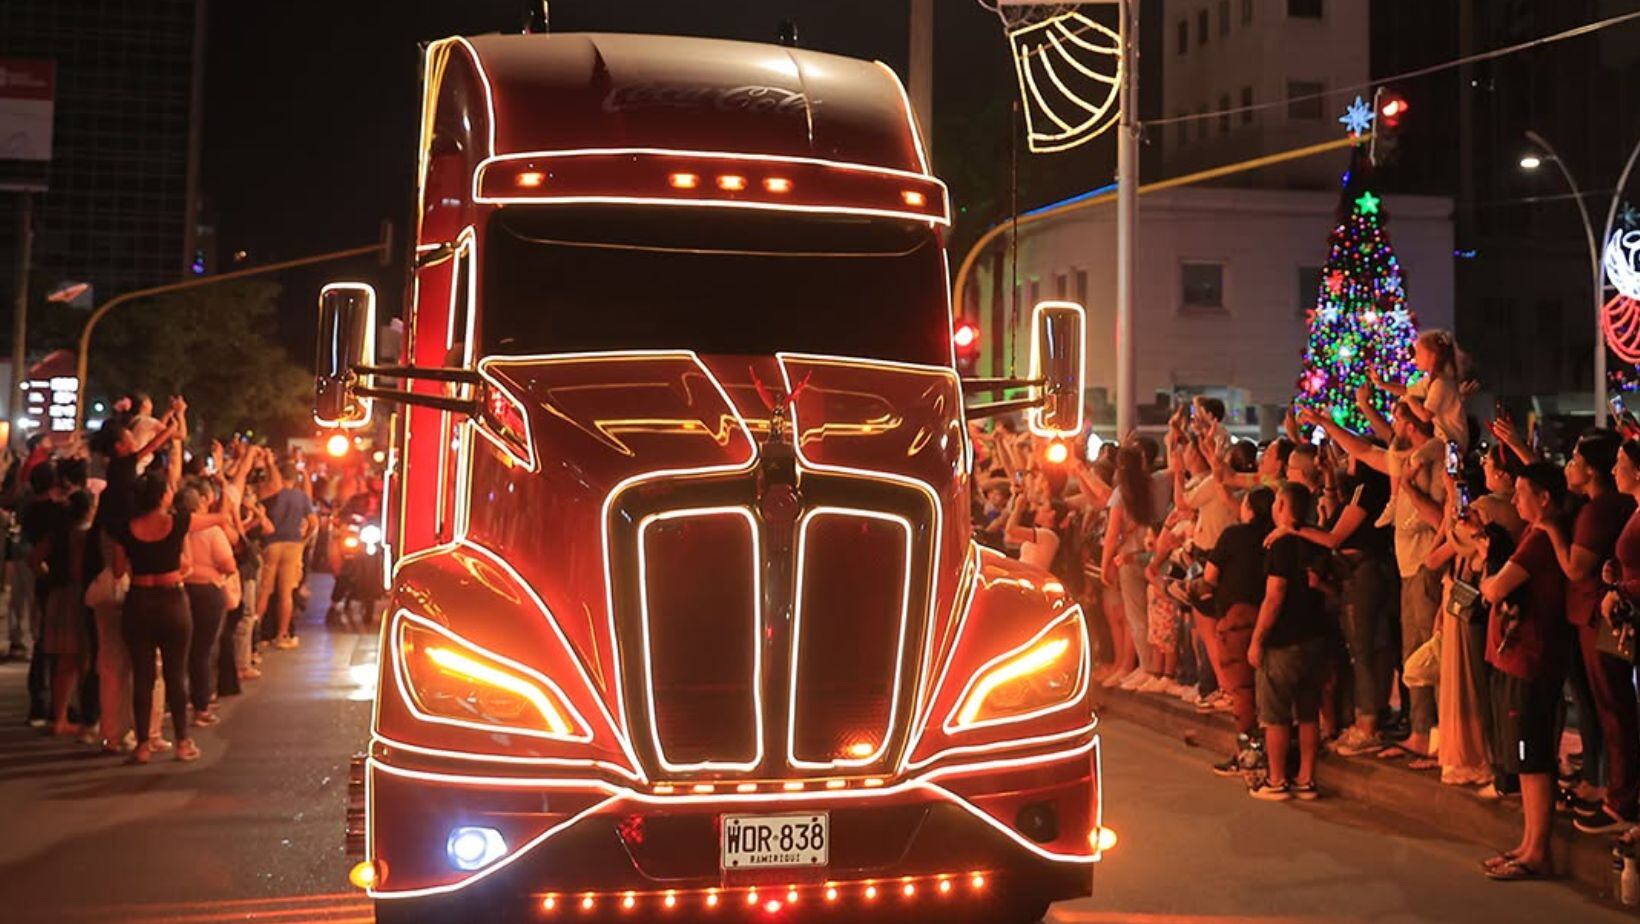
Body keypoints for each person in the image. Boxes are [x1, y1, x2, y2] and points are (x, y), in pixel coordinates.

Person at [1478, 463, 1573, 881]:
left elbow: (1496, 589)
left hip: (1529, 661)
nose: (1514, 501)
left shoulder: (1538, 542)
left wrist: (1486, 570)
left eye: (1521, 493)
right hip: (1518, 659)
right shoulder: (1536, 536)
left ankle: (1537, 850)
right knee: (1524, 755)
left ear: (1545, 498)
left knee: (1530, 757)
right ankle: (1527, 843)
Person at [1545, 432, 1639, 834]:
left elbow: (1576, 567)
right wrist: (1616, 577)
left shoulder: (1602, 510)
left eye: (1622, 463)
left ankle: (1621, 798)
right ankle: (1615, 790)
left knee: (1614, 706)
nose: (1618, 469)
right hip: (1611, 611)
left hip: (1609, 617)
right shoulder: (1627, 507)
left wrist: (1619, 589)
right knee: (1607, 705)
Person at [1247, 482, 1328, 801]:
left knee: (1275, 713)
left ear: (1281, 505)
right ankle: (1307, 778)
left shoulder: (1280, 544)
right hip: (1316, 635)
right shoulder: (1315, 540)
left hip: (1283, 640)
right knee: (1308, 711)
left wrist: (1257, 639)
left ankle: (1277, 778)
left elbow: (1274, 595)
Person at [1204, 486, 1275, 777]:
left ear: (1250, 508)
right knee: (1269, 691)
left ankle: (1249, 754)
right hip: (1273, 619)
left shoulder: (1234, 536)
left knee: (1242, 691)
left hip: (1238, 621)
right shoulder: (1277, 539)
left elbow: (1210, 576)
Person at [32, 490, 94, 737]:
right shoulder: (83, 536)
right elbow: (79, 571)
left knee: (62, 662)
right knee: (82, 660)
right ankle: (77, 717)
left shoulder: (55, 534)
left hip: (58, 595)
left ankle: (60, 717)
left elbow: (34, 560)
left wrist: (48, 577)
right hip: (77, 597)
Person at [179, 481, 237, 728]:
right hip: (207, 592)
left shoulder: (173, 528)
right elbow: (228, 565)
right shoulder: (211, 531)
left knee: (182, 650)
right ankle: (200, 705)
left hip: (181, 591)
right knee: (202, 650)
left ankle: (180, 702)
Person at [1101, 445, 1157, 691]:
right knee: (1155, 615)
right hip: (1152, 555)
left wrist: (1105, 564)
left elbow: (1112, 534)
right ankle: (1151, 667)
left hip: (1127, 559)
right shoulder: (1153, 485)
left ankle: (1146, 667)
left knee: (1136, 616)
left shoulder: (1121, 493)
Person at [255, 462, 317, 650]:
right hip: (293, 545)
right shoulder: (302, 497)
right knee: (286, 593)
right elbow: (313, 523)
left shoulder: (272, 493)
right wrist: (304, 540)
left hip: (271, 543)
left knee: (264, 591)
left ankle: (256, 634)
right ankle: (282, 635)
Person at [1372, 329, 1468, 449]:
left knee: (1418, 458)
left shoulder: (1441, 384)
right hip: (1445, 441)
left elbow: (1425, 415)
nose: (1415, 358)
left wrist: (1409, 400)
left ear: (1432, 356)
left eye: (1419, 353)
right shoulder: (1432, 381)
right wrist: (1382, 384)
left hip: (1451, 442)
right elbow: (1407, 389)